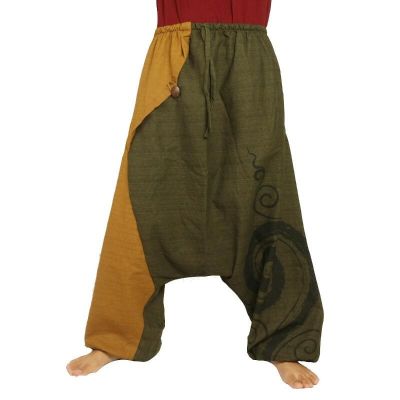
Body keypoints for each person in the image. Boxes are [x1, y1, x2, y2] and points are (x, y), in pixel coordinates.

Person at [66, 0, 324, 389]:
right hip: (175, 50)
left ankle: (284, 340)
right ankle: (116, 336)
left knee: (265, 186)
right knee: (144, 185)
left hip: (251, 55)